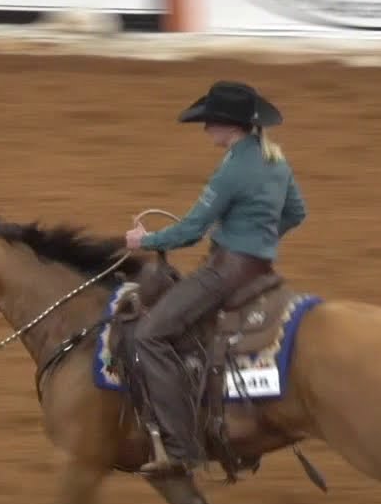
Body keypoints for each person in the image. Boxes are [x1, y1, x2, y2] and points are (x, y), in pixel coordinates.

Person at [123, 80, 308, 475]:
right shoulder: (276, 160)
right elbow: (296, 212)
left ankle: (178, 447)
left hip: (225, 273)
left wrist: (145, 239)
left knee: (149, 335)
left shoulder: (233, 171)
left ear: (230, 125)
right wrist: (259, 238)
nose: (205, 127)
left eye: (210, 121)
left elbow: (191, 229)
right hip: (260, 271)